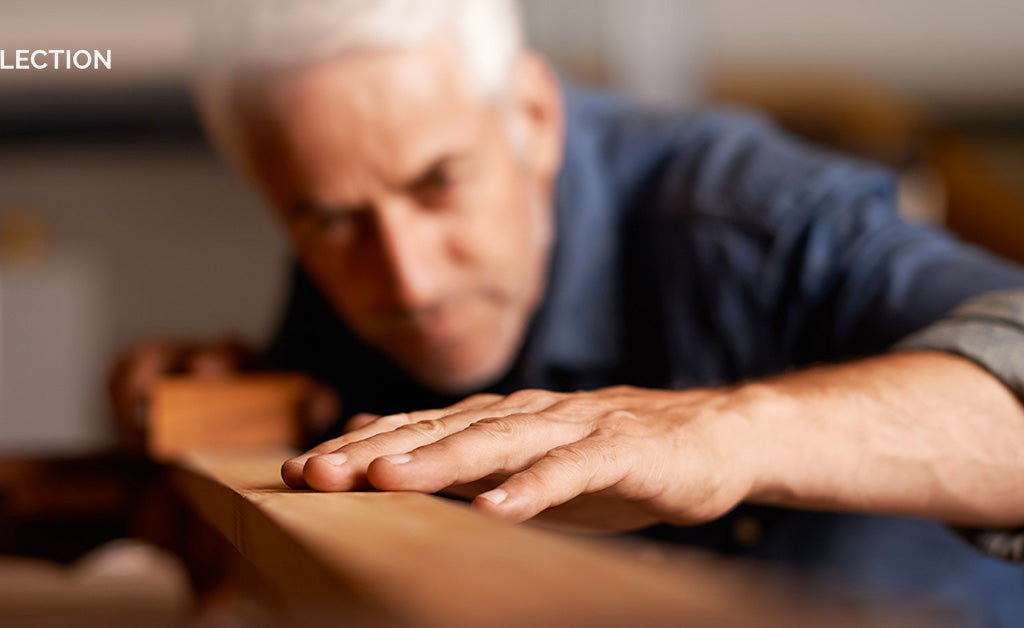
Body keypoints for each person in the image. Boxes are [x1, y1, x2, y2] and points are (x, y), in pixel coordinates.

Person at [115, 0, 1024, 622]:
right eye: (329, 219)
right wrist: (234, 401)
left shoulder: (750, 214)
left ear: (537, 116)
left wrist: (724, 433)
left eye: (439, 182)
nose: (410, 278)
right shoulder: (351, 240)